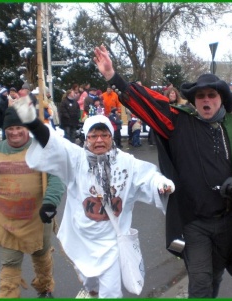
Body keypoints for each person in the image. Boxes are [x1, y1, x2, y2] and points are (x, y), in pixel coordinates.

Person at [93, 44, 232, 298]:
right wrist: (112, 77)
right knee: (200, 281)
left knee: (215, 277)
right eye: (201, 96)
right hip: (194, 222)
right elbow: (147, 104)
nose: (206, 100)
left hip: (227, 221)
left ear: (221, 100)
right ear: (194, 100)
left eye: (212, 95)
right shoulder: (179, 121)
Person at [11, 97, 175, 298]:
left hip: (113, 241)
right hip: (84, 237)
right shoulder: (76, 159)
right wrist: (32, 123)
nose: (99, 140)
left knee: (111, 291)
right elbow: (52, 143)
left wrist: (160, 185)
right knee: (90, 280)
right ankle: (91, 290)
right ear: (86, 138)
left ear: (111, 137)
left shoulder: (127, 163)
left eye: (104, 135)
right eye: (94, 135)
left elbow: (148, 177)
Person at [0, 107, 65, 298]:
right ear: (4, 129)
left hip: (38, 220)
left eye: (19, 127)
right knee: (9, 266)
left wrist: (50, 202)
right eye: (10, 129)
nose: (14, 132)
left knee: (42, 259)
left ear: (27, 128)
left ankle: (45, 288)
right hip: (8, 224)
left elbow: (56, 177)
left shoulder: (41, 150)